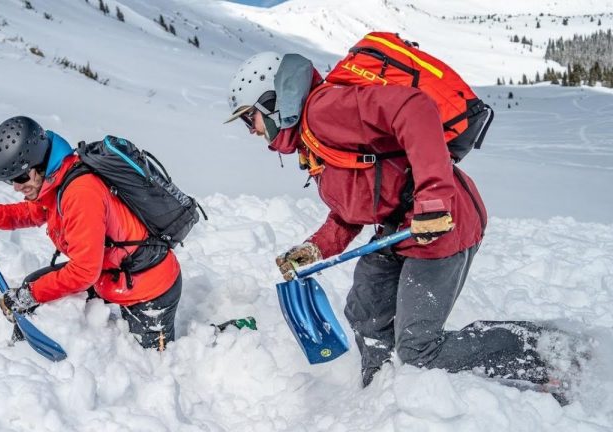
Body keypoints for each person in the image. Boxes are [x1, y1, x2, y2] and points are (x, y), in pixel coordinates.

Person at [225, 52, 556, 390]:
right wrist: (314, 247)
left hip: (441, 225)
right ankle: (383, 390)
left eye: (249, 118)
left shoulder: (324, 110)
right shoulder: (312, 139)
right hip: (401, 229)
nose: (252, 130)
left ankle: (547, 352)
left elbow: (414, 107)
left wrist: (433, 198)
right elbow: (354, 205)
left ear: (272, 101)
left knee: (418, 348)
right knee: (365, 313)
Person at [0, 116, 182, 350]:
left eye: (21, 177)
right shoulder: (57, 178)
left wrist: (28, 295)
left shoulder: (80, 193)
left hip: (148, 287)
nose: (16, 187)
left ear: (39, 164)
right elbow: (33, 212)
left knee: (147, 366)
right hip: (109, 273)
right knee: (34, 286)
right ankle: (23, 359)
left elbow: (84, 272)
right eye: (9, 181)